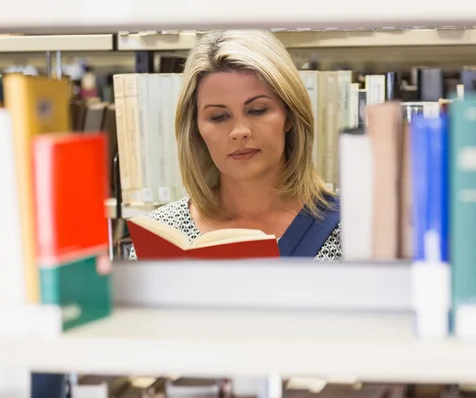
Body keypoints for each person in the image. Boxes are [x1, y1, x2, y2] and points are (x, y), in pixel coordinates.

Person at [128, 30, 341, 261]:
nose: (240, 132)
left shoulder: (349, 231)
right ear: (196, 129)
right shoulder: (157, 236)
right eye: (218, 117)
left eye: (257, 110)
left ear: (289, 115)